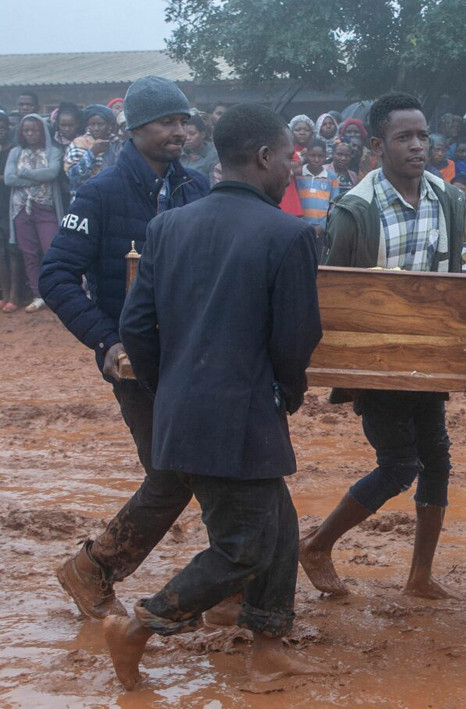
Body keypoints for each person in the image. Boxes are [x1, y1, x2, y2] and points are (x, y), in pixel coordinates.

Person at [106, 102, 324, 690]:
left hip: (182, 409)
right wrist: (291, 392)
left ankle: (269, 646)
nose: (291, 166)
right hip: (245, 413)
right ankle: (140, 626)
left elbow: (137, 327)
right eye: (286, 156)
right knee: (245, 548)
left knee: (277, 523)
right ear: (262, 157)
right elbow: (296, 338)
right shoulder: (289, 233)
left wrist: (167, 386)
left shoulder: (167, 226)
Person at [40, 76, 209, 619]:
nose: (178, 131)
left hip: (196, 358)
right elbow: (57, 276)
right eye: (165, 122)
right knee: (172, 472)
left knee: (206, 467)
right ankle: (91, 569)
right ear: (133, 129)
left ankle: (228, 587)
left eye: (183, 121)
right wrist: (105, 339)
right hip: (136, 364)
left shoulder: (198, 189)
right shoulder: (99, 193)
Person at [300, 93, 466, 600]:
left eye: (422, 136)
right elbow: (337, 297)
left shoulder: (448, 199)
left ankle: (419, 577)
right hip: (375, 359)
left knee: (436, 460)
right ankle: (317, 545)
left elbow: (453, 282)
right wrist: (350, 375)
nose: (418, 146)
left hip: (428, 355)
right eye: (404, 137)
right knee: (399, 465)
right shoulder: (354, 210)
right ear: (377, 145)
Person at [5, 113, 65, 312]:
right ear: (21, 132)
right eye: (26, 130)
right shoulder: (15, 152)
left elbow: (52, 173)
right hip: (21, 209)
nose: (31, 134)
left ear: (43, 131)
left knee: (51, 249)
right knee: (29, 253)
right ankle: (38, 294)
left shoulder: (53, 152)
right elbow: (9, 179)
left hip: (46, 207)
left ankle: (56, 291)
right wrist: (37, 178)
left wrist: (25, 173)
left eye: (35, 129)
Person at [65, 104, 123, 194]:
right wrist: (91, 153)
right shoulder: (79, 143)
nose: (96, 128)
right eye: (92, 124)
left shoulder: (117, 143)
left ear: (109, 125)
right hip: (85, 197)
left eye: (100, 124)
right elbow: (73, 176)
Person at [0, 111, 22, 312]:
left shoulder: (15, 151)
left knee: (12, 249)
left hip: (11, 204)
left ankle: (15, 295)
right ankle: (4, 293)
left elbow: (11, 177)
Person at [180, 112, 218, 179]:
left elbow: (214, 185)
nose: (187, 138)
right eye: (185, 134)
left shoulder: (213, 157)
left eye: (192, 134)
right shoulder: (179, 154)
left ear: (202, 134)